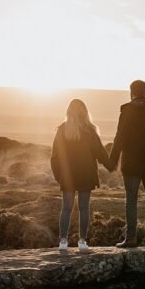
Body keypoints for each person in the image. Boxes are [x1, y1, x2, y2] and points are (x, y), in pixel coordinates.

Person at [50, 99, 114, 252]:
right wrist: (112, 165)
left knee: (66, 208)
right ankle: (82, 242)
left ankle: (63, 242)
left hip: (67, 176)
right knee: (84, 208)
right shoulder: (90, 130)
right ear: (85, 112)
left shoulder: (62, 130)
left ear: (68, 112)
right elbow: (100, 153)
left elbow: (54, 156)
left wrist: (58, 175)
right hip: (86, 174)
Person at [109, 79, 145, 247]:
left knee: (131, 201)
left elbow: (119, 139)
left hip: (132, 164)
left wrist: (112, 162)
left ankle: (131, 238)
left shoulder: (127, 112)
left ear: (132, 92)